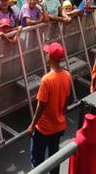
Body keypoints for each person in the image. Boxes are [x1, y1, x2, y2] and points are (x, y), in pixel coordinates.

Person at [29, 42, 71, 173]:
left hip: (43, 128)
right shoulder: (67, 75)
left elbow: (41, 106)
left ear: (51, 57)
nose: (46, 54)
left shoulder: (46, 79)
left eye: (48, 53)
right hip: (58, 126)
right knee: (54, 159)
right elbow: (66, 101)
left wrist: (32, 125)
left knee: (37, 161)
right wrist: (61, 116)